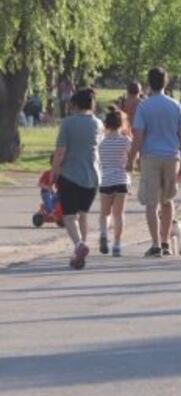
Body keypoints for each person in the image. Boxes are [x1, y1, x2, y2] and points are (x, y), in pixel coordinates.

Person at [127, 67, 181, 257]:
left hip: (150, 156)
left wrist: (131, 159)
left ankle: (155, 243)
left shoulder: (144, 107)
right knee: (168, 200)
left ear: (149, 83)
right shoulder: (176, 106)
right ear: (166, 82)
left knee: (151, 202)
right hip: (171, 156)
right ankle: (166, 241)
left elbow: (138, 136)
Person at [52, 88, 103, 270]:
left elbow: (60, 152)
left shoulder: (68, 123)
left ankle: (79, 245)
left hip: (70, 174)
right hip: (92, 176)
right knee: (83, 214)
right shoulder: (98, 123)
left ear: (74, 105)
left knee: (69, 216)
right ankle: (79, 252)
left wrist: (54, 172)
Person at [97, 108, 131, 256]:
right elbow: (133, 156)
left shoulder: (101, 142)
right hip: (121, 179)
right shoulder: (125, 141)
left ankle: (104, 234)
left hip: (105, 179)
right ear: (121, 124)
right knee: (118, 214)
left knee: (105, 213)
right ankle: (117, 244)